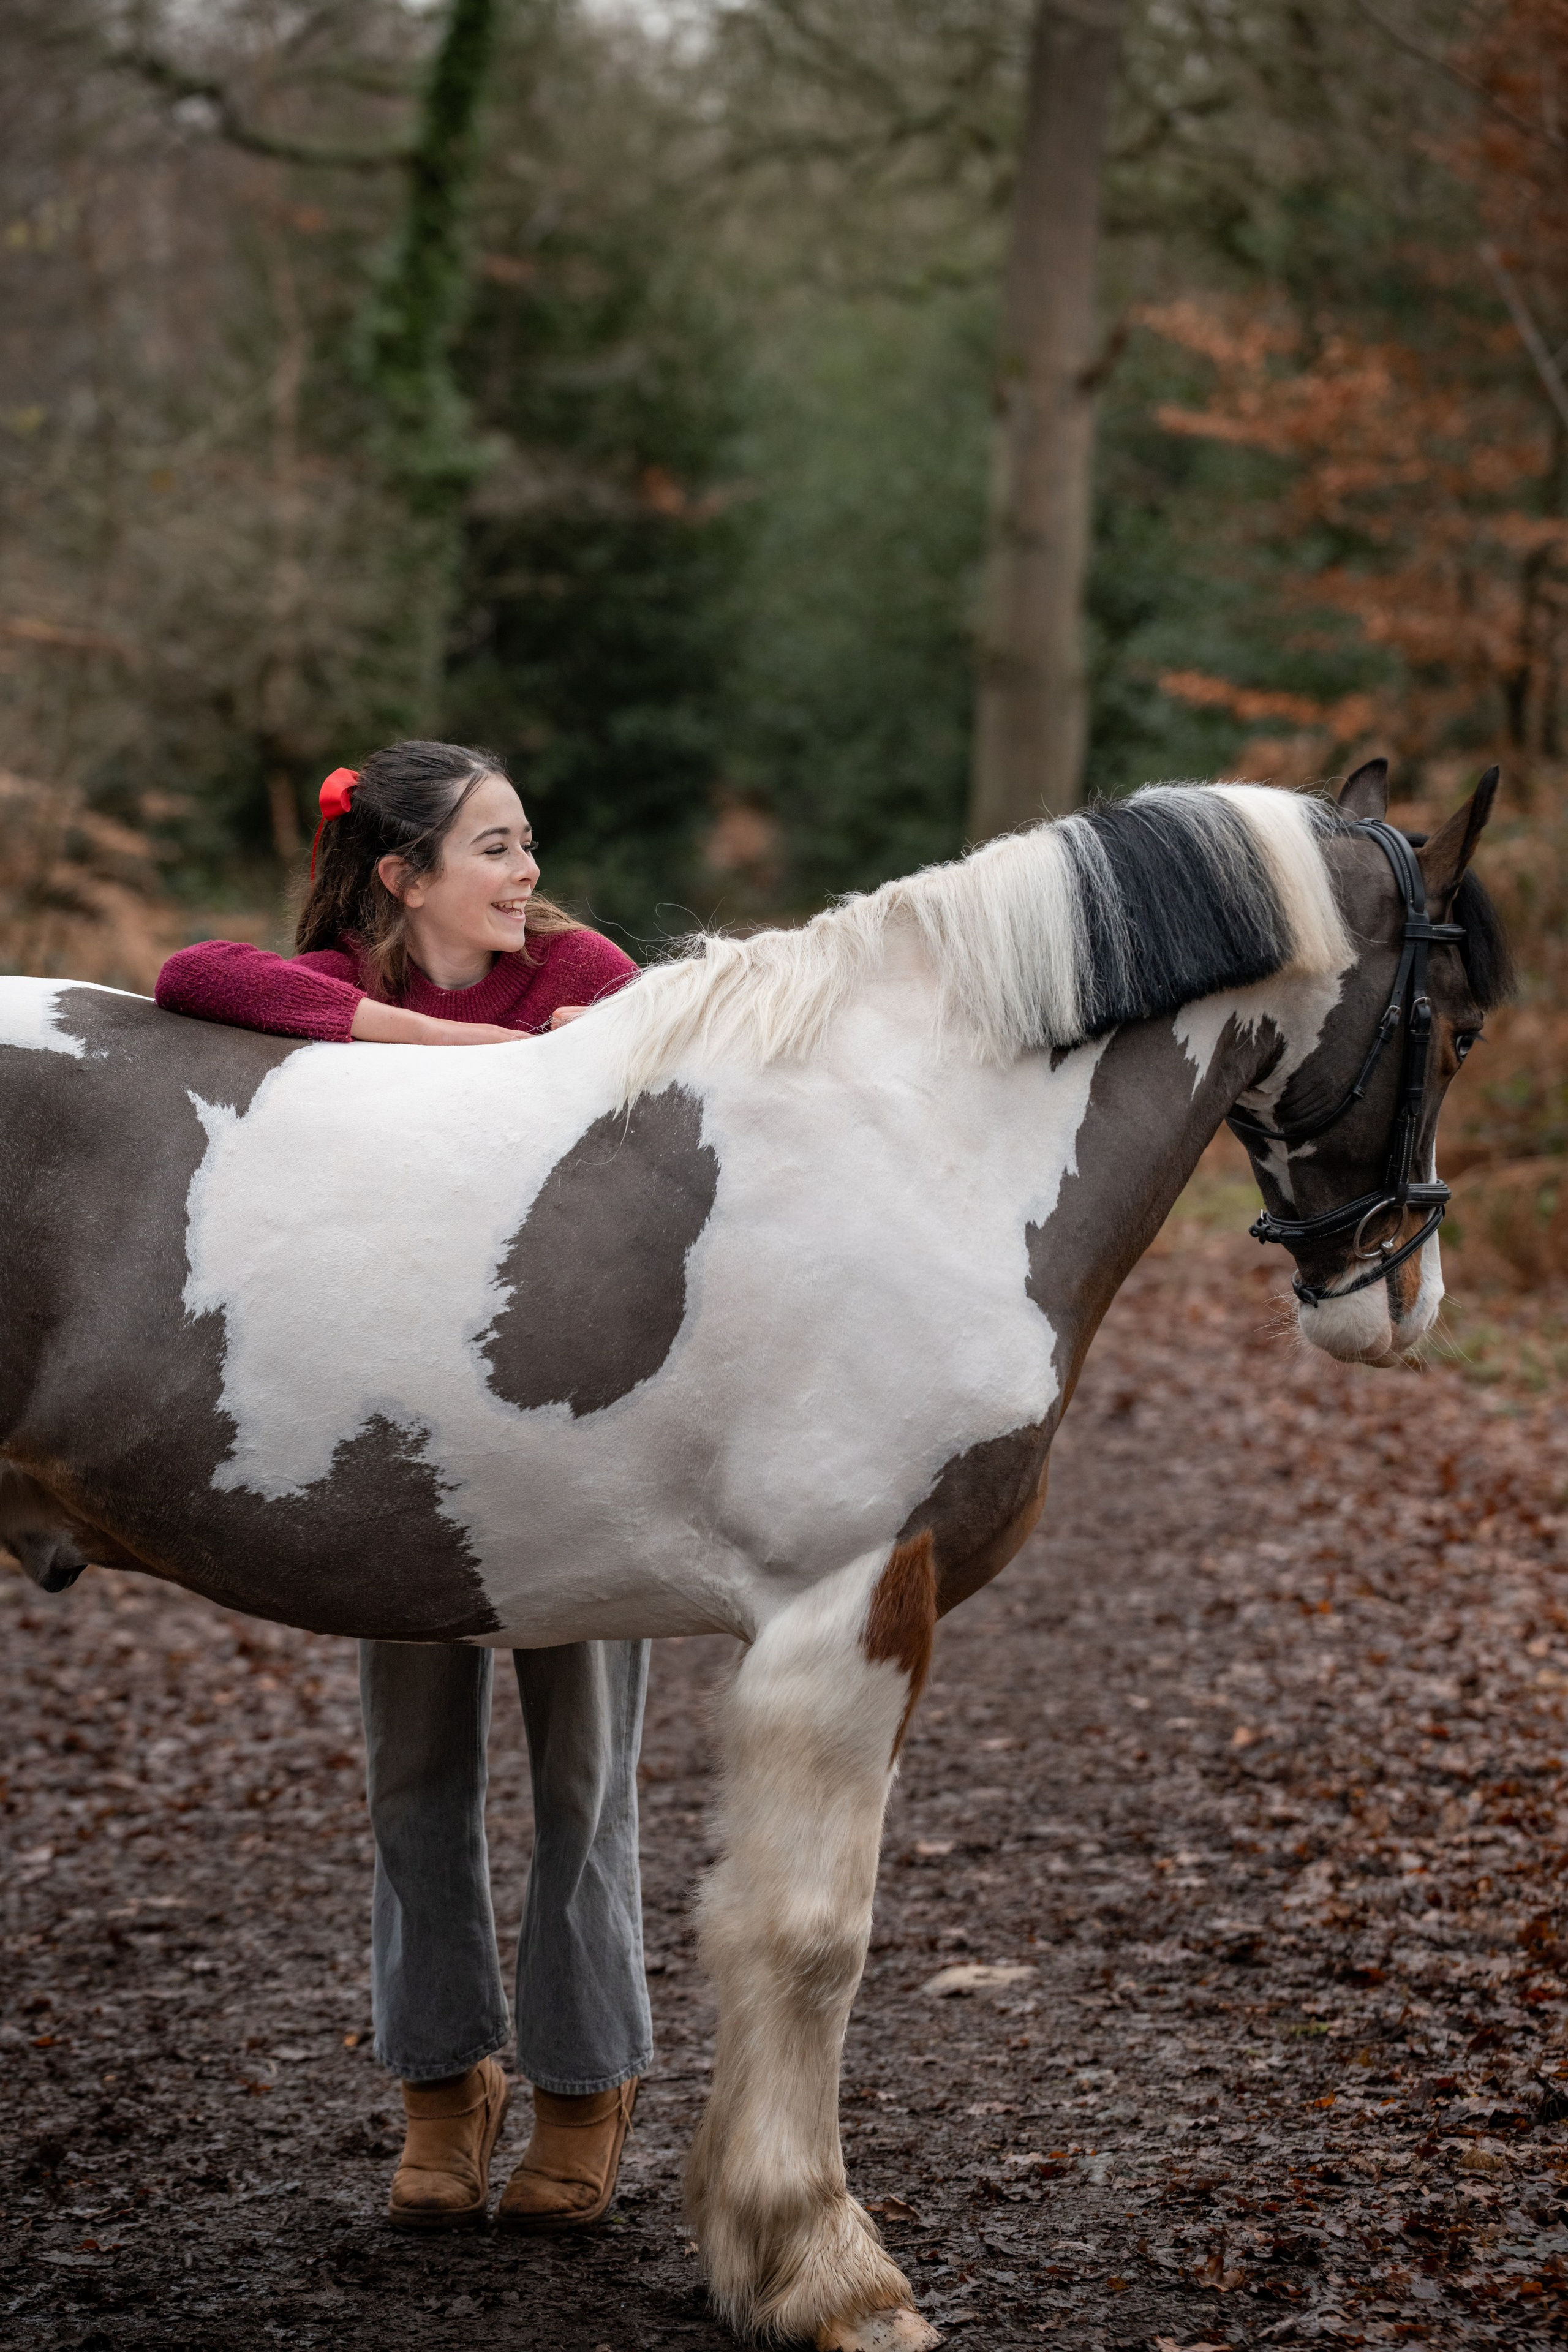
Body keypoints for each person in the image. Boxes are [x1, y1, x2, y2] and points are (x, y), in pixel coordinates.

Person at [157, 739, 651, 2232]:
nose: (527, 876)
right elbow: (192, 976)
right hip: (401, 1442)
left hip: (584, 1430)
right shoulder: (341, 978)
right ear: (402, 874)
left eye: (525, 842)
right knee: (413, 1781)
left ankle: (582, 2087)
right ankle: (443, 2086)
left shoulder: (596, 971)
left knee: (582, 1782)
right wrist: (477, 1055)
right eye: (494, 848)